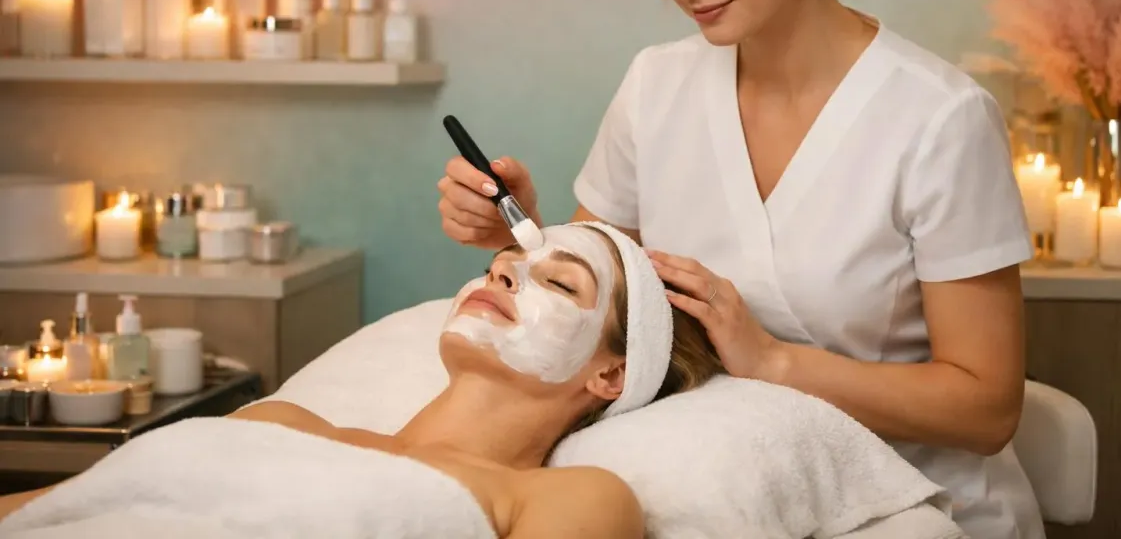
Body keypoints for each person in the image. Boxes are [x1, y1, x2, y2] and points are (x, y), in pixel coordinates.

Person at [437, 0, 1044, 538]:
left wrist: (773, 360)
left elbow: (987, 408)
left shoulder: (939, 120)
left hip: (912, 504)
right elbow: (605, 303)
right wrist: (524, 234)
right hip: (729, 491)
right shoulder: (657, 85)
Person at [0, 223, 725, 538]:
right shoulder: (281, 423)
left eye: (560, 284)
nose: (504, 273)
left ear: (612, 373)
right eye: (502, 264)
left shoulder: (569, 497)